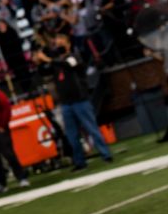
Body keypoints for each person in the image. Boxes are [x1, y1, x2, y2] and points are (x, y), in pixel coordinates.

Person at [33, 35, 113, 170]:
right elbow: (44, 72)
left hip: (80, 101)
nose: (59, 45)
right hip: (66, 103)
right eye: (57, 43)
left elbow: (69, 65)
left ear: (68, 44)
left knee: (91, 128)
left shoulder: (74, 57)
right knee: (72, 135)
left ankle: (106, 154)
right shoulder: (56, 63)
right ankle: (79, 161)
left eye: (62, 43)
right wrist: (38, 62)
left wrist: (48, 59)